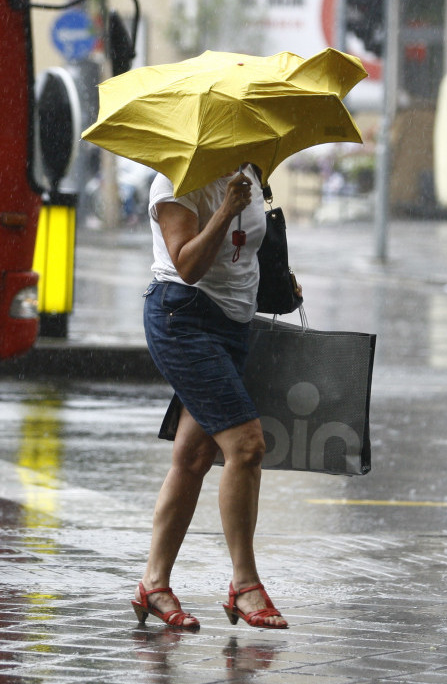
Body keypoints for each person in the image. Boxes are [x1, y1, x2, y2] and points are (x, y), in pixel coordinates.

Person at [131, 162, 289, 631]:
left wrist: (281, 277)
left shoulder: (248, 174)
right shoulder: (175, 182)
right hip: (184, 318)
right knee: (246, 446)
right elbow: (188, 265)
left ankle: (153, 585)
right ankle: (245, 585)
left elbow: (248, 253)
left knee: (194, 457)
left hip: (234, 327)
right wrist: (225, 210)